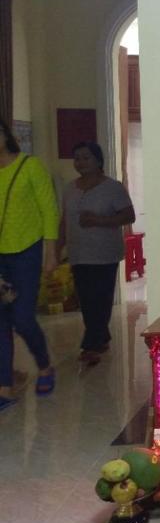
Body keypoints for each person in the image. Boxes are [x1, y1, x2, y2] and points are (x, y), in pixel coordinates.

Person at [57, 142, 135, 367]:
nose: (80, 162)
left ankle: (90, 345)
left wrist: (99, 221)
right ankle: (102, 336)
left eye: (86, 158)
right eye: (77, 158)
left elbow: (129, 216)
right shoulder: (70, 188)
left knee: (100, 299)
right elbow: (64, 220)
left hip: (104, 254)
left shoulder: (113, 188)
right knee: (86, 299)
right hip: (78, 253)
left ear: (98, 161)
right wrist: (57, 247)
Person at [0, 118, 59, 411]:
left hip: (27, 252)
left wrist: (50, 252)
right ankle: (5, 386)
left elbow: (49, 209)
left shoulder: (29, 166)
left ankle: (45, 366)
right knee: (0, 322)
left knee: (22, 318)